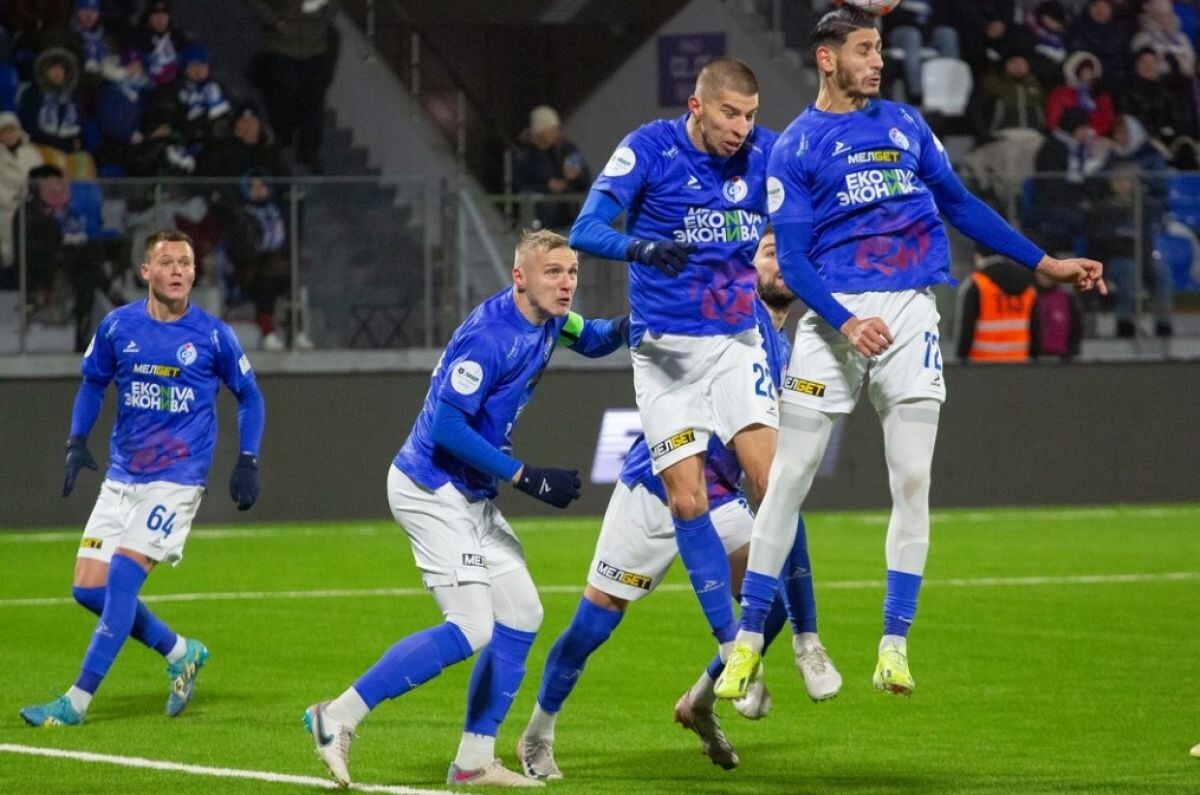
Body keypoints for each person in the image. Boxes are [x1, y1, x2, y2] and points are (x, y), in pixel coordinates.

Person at [713, 5, 1104, 701]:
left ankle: (893, 645)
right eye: (866, 49)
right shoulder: (795, 146)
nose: (879, 61)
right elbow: (793, 261)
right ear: (828, 58)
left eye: (880, 49)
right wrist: (845, 321)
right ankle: (747, 644)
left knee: (914, 480)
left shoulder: (905, 125)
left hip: (910, 312)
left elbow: (961, 204)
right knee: (787, 480)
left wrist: (1045, 263)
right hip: (834, 317)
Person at [302, 230, 627, 789]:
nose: (567, 283)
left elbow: (596, 338)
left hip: (469, 494)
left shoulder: (552, 319)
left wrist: (645, 320)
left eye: (572, 271)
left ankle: (474, 761)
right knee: (473, 625)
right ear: (519, 277)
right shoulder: (490, 337)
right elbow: (448, 428)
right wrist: (526, 476)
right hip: (429, 487)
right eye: (553, 272)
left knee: (522, 613)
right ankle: (336, 716)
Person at [515, 231, 840, 780]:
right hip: (656, 489)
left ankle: (700, 701)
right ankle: (538, 731)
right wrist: (552, 313)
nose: (783, 265)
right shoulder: (720, 312)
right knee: (593, 625)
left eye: (792, 255)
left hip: (721, 495)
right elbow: (605, 332)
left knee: (772, 599)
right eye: (769, 254)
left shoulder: (786, 345)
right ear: (746, 265)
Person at [569, 57, 792, 671]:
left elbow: (820, 177)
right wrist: (641, 247)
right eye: (730, 113)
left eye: (750, 116)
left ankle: (785, 649)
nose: (741, 128)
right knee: (597, 617)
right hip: (667, 358)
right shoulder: (649, 148)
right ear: (696, 106)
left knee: (776, 488)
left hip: (729, 349)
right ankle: (543, 716)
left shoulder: (768, 153)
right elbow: (585, 229)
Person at [19, 229, 265, 727]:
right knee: (88, 589)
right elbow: (93, 383)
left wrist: (248, 459)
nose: (178, 271)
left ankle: (76, 702)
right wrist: (76, 441)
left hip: (176, 479)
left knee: (122, 580)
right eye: (167, 262)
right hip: (123, 475)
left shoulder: (213, 335)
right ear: (145, 271)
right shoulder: (117, 326)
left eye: (186, 263)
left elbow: (250, 396)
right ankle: (180, 651)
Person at [246, 0, 339, 174]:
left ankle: (308, 149)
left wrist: (326, 16)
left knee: (314, 101)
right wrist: (274, 20)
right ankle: (281, 142)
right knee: (283, 97)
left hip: (316, 45)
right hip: (281, 46)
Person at [511, 105, 591, 231]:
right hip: (538, 225)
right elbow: (518, 187)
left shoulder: (566, 150)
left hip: (568, 220)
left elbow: (585, 183)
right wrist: (546, 186)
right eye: (551, 129)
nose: (556, 132)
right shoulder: (523, 156)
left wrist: (577, 175)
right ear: (539, 131)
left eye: (556, 128)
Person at [955, 248, 1037, 363]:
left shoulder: (976, 284)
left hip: (982, 366)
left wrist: (960, 362)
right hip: (1020, 365)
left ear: (978, 256)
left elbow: (966, 332)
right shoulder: (1027, 284)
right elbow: (1036, 331)